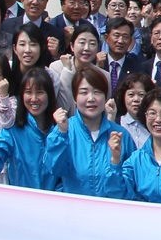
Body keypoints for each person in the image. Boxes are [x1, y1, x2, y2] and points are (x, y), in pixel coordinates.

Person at [0, 68, 66, 191]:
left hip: (53, 204)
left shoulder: (61, 128)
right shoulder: (13, 130)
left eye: (40, 92)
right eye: (28, 92)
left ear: (49, 95)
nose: (34, 98)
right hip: (21, 203)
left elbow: (66, 174)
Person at [52, 65, 130, 200]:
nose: (91, 98)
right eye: (83, 92)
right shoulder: (64, 130)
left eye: (97, 92)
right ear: (75, 98)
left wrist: (115, 162)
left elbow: (129, 188)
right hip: (73, 212)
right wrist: (61, 134)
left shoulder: (121, 135)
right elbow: (54, 170)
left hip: (110, 214)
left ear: (106, 97)